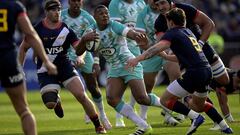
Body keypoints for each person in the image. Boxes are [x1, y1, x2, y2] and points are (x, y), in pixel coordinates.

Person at [126, 8, 233, 134]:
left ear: (170, 22)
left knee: (164, 100)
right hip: (206, 71)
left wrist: (137, 59)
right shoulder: (188, 32)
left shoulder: (172, 33)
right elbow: (180, 56)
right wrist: (164, 56)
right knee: (198, 105)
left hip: (194, 73)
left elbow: (154, 49)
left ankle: (195, 117)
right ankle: (225, 127)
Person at [77, 5, 174, 135]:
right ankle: (143, 125)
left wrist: (138, 37)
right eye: (101, 13)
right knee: (112, 98)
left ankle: (172, 107)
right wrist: (83, 40)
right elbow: (79, 51)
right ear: (94, 17)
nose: (105, 15)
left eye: (106, 13)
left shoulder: (114, 25)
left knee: (142, 98)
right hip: (115, 68)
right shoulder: (90, 31)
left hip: (129, 64)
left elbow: (129, 32)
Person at [19, 0, 106, 133]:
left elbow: (78, 50)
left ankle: (98, 125)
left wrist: (83, 41)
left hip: (65, 67)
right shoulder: (37, 29)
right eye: (53, 10)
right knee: (49, 103)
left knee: (82, 95)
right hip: (45, 69)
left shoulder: (66, 30)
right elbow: (23, 47)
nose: (57, 12)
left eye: (59, 10)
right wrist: (20, 67)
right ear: (46, 12)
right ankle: (56, 100)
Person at [0, 0, 57, 135]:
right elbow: (30, 34)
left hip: (8, 58)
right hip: (7, 58)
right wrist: (46, 61)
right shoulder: (14, 5)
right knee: (24, 110)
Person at [61, 0, 112, 130]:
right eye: (73, 1)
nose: (76, 3)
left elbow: (95, 41)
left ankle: (102, 115)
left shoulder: (88, 18)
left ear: (82, 2)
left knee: (93, 87)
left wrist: (95, 61)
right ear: (69, 2)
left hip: (84, 54)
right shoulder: (61, 16)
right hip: (64, 54)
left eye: (79, 1)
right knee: (67, 84)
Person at [154, 0, 230, 87]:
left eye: (163, 3)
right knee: (179, 81)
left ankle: (208, 84)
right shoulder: (159, 22)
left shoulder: (185, 9)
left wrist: (200, 44)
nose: (160, 7)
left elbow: (209, 23)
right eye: (157, 4)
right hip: (186, 56)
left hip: (202, 48)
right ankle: (197, 89)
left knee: (224, 80)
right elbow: (162, 44)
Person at [135, 0, 181, 124]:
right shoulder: (142, 15)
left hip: (170, 48)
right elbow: (140, 38)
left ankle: (169, 112)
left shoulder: (170, 9)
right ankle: (143, 115)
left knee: (176, 77)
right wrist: (153, 49)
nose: (153, 2)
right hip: (152, 50)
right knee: (147, 85)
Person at [108, 0, 146, 127]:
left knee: (136, 82)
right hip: (120, 50)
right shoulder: (115, 3)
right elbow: (115, 28)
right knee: (120, 82)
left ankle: (133, 110)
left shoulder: (141, 3)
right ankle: (120, 118)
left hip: (136, 47)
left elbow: (144, 26)